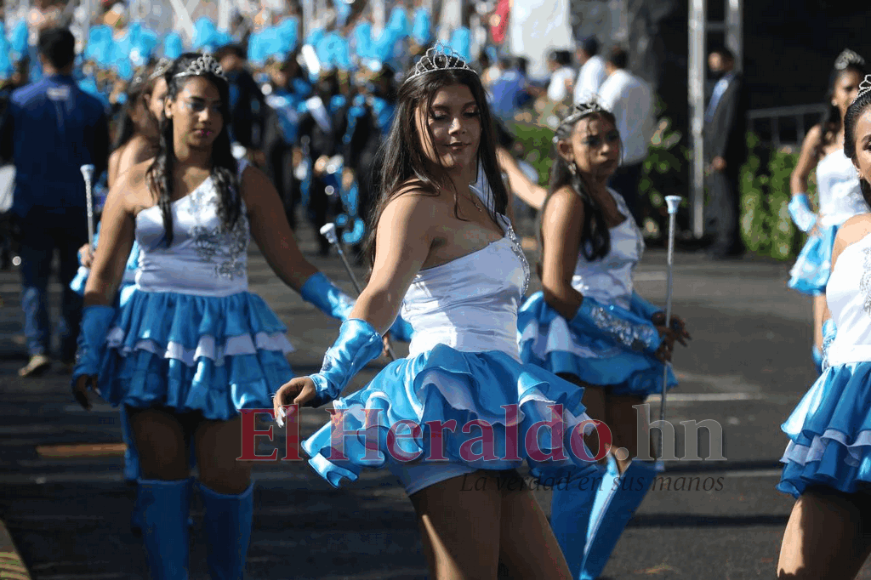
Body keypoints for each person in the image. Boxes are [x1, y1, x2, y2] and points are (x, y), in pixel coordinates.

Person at [273, 46, 601, 579]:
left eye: (469, 113)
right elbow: (380, 295)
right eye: (440, 115)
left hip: (495, 399)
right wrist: (329, 376)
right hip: (441, 405)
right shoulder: (413, 202)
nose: (458, 128)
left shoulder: (490, 200)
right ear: (414, 122)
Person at [70, 52, 360, 579]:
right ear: (169, 108)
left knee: (228, 477)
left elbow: (294, 266)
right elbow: (103, 279)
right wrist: (88, 352)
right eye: (195, 105)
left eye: (217, 109)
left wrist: (356, 317)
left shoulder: (246, 179)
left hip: (228, 347)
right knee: (161, 483)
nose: (206, 118)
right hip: (150, 343)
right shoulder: (134, 181)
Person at [517, 99, 690, 578]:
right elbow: (557, 288)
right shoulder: (567, 201)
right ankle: (561, 572)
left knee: (636, 469)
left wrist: (652, 315)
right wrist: (638, 332)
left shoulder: (613, 199)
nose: (607, 148)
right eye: (592, 140)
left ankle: (581, 571)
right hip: (575, 343)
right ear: (566, 149)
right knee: (585, 471)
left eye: (612, 138)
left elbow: (616, 284)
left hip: (622, 345)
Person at [776, 74, 871, 579]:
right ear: (854, 160)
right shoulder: (847, 236)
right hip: (846, 422)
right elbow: (837, 330)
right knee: (798, 568)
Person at [0, 27, 110, 377]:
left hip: (32, 202)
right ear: (74, 55)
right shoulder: (92, 104)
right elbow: (103, 157)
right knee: (73, 278)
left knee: (33, 279)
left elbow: (4, 150)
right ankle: (68, 349)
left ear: (41, 56)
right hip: (78, 205)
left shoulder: (19, 101)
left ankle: (38, 348)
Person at [787, 49, 868, 375]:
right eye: (847, 88)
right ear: (834, 94)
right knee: (825, 339)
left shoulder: (868, 136)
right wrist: (803, 215)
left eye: (860, 87)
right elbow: (797, 176)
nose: (853, 93)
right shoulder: (820, 136)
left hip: (863, 235)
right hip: (828, 238)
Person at [598, 46, 654, 223]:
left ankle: (615, 241)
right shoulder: (641, 85)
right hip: (637, 150)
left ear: (609, 64)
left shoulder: (611, 86)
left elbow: (600, 118)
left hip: (614, 153)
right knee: (631, 198)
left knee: (611, 200)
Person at [703, 46, 748, 259]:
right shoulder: (720, 86)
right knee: (719, 196)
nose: (714, 67)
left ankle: (729, 241)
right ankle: (724, 238)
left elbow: (730, 123)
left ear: (729, 61)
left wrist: (722, 153)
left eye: (718, 62)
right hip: (715, 153)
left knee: (728, 198)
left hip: (726, 154)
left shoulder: (736, 85)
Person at [573, 35, 606, 105]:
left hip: (589, 112)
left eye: (578, 50)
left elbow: (591, 95)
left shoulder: (593, 65)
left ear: (584, 51)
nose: (576, 54)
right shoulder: (591, 64)